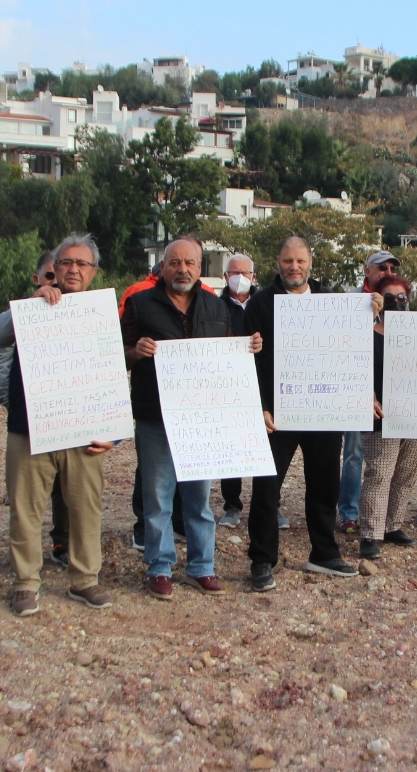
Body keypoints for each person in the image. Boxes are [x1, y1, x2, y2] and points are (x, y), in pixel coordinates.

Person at [123, 238, 260, 599]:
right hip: (154, 416)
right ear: (163, 266)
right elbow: (117, 356)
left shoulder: (217, 308)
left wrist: (249, 349)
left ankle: (201, 567)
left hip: (202, 420)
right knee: (158, 495)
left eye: (189, 263)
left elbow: (229, 355)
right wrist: (135, 352)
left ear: (200, 269)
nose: (181, 269)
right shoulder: (139, 304)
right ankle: (160, 566)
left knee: (199, 498)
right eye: (174, 262)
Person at [0, 236, 116, 616]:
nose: (73, 269)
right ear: (54, 268)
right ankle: (26, 583)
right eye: (66, 263)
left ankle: (84, 581)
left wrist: (114, 431)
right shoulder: (33, 307)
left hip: (86, 431)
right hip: (29, 428)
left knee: (85, 509)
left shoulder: (102, 312)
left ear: (92, 272)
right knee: (25, 509)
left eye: (82, 263)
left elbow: (113, 373)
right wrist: (29, 306)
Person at [244, 236, 380, 590]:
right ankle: (262, 560)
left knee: (324, 484)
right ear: (277, 262)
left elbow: (354, 351)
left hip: (324, 411)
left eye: (300, 261)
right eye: (287, 260)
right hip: (277, 414)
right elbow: (246, 362)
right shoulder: (259, 303)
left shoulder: (332, 302)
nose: (294, 267)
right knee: (266, 488)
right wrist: (260, 406)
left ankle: (323, 553)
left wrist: (371, 312)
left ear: (310, 262)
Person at [356, 273, 417, 560]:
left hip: (416, 414)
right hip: (381, 414)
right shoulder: (366, 333)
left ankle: (393, 525)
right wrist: (367, 394)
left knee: (405, 473)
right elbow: (353, 366)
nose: (396, 303)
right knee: (379, 474)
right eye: (390, 298)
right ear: (379, 299)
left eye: (402, 298)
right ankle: (369, 533)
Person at [337, 250, 402, 535]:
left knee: (383, 462)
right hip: (357, 391)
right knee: (354, 452)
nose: (388, 271)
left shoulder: (400, 300)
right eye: (383, 267)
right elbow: (345, 344)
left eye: (393, 268)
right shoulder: (351, 301)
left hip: (390, 395)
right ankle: (349, 513)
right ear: (368, 270)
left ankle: (380, 517)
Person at [218, 252, 257, 529]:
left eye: (245, 273)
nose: (239, 278)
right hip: (227, 386)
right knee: (230, 447)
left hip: (260, 385)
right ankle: (231, 504)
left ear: (254, 277)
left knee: (264, 447)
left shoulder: (265, 303)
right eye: (234, 272)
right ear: (225, 276)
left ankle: (271, 502)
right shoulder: (214, 306)